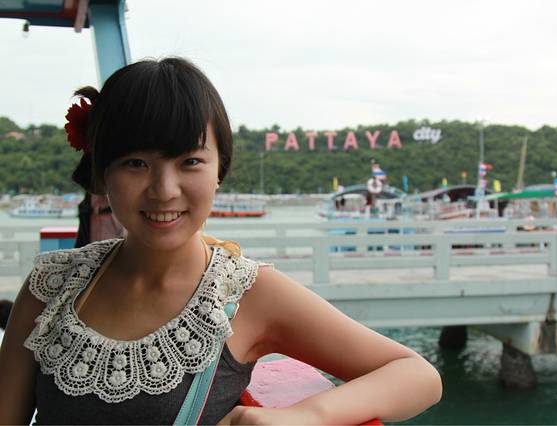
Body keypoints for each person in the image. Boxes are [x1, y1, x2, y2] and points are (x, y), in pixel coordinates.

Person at [0, 57, 441, 424]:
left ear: (219, 170)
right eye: (136, 163)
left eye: (190, 161)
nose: (164, 190)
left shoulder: (245, 293)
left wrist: (304, 415)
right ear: (102, 174)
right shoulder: (53, 285)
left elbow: (417, 375)